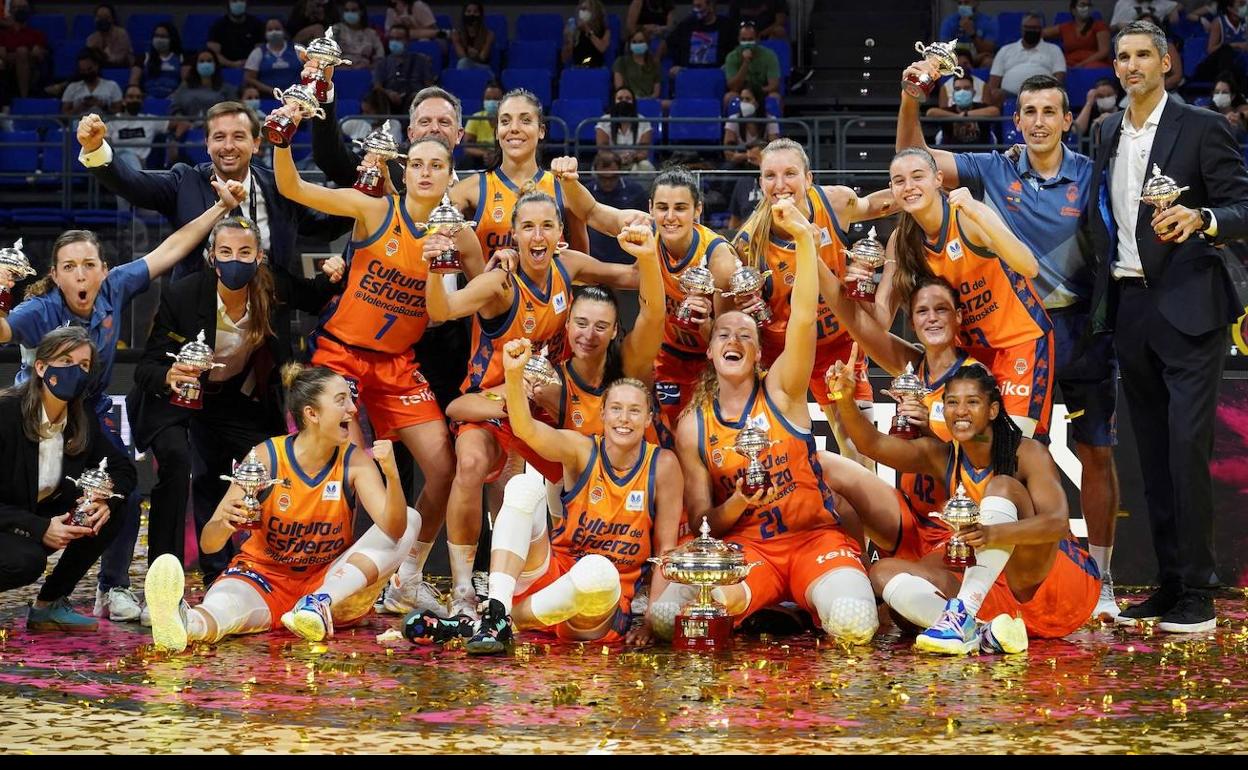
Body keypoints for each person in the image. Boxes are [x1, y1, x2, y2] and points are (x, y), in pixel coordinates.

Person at [0, 180, 246, 622]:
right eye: (69, 267)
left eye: (88, 264)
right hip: (32, 418)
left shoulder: (114, 287)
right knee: (25, 513)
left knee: (120, 494)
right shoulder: (39, 311)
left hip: (85, 416)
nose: (80, 274)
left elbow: (172, 248)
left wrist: (220, 208)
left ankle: (109, 588)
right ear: (54, 275)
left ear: (104, 269)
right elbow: (3, 331)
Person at [650, 197, 879, 646]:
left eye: (745, 335)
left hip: (815, 540)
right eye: (723, 334)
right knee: (665, 617)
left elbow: (804, 319)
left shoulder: (782, 390)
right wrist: (739, 501)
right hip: (750, 548)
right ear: (710, 350)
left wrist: (804, 240)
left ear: (758, 354)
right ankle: (772, 608)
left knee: (853, 621)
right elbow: (703, 523)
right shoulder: (694, 425)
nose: (733, 340)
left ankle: (802, 606)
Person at [276, 131, 479, 618]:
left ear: (450, 176)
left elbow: (490, 290)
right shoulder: (375, 210)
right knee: (342, 466)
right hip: (341, 355)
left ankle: (407, 576)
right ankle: (320, 580)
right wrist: (282, 140)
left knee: (444, 469)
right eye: (418, 164)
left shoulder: (459, 234)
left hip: (398, 363)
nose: (426, 172)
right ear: (404, 172)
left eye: (437, 165)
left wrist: (504, 264)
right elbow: (293, 188)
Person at [1087, 20, 1248, 633]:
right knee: (1151, 455)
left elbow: (1243, 206)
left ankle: (1199, 592)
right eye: (1122, 57)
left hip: (1190, 306)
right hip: (1130, 306)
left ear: (1166, 62)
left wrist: (1202, 217)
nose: (1130, 66)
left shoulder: (1202, 126)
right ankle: (1168, 584)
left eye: (1142, 55)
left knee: (1186, 450)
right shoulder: (1106, 130)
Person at [425, 190, 639, 621]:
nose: (537, 235)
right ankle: (464, 589)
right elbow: (442, 309)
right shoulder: (501, 283)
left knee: (576, 473)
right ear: (514, 236)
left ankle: (575, 568)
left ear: (560, 233)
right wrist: (435, 267)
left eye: (546, 226)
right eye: (527, 227)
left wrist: (643, 238)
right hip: (493, 399)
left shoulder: (568, 265)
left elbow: (630, 276)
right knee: (471, 463)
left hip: (543, 403)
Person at [407, 343, 682, 652]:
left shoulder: (663, 465)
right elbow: (525, 429)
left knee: (598, 571)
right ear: (603, 413)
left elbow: (666, 549)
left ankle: (484, 624)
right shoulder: (581, 449)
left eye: (634, 411)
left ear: (648, 419)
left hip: (601, 603)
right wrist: (513, 374)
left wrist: (650, 619)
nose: (624, 418)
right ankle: (497, 610)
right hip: (549, 577)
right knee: (524, 486)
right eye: (616, 408)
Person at [830, 360, 1100, 654]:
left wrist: (993, 534)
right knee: (883, 573)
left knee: (1003, 487)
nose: (960, 411)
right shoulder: (944, 455)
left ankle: (963, 613)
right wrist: (844, 399)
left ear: (992, 410)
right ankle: (980, 630)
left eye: (972, 402)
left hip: (1051, 588)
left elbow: (1057, 524)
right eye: (952, 402)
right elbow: (872, 445)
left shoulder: (1027, 452)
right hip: (992, 591)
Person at [127, 216, 341, 587]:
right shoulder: (183, 295)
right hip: (176, 397)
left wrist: (335, 270)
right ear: (212, 257)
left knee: (273, 466)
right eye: (225, 252)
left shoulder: (271, 284)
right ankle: (164, 577)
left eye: (244, 252)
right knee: (178, 464)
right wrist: (169, 375)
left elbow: (312, 294)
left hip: (234, 396)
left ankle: (266, 566)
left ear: (259, 257)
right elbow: (146, 367)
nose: (235, 260)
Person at [146, 364, 421, 650]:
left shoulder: (355, 461)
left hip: (332, 584)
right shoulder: (266, 456)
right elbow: (209, 544)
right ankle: (183, 622)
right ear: (312, 414)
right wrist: (225, 524)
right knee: (222, 609)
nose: (352, 409)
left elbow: (395, 530)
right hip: (262, 579)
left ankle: (316, 604)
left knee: (411, 518)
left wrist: (392, 474)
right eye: (341, 401)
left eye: (351, 400)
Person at [718, 138, 893, 467]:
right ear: (760, 183)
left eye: (790, 173)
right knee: (778, 454)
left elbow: (876, 205)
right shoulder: (747, 242)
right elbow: (732, 313)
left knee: (862, 454)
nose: (780, 184)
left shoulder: (834, 202)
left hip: (837, 346)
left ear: (808, 178)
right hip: (783, 354)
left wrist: (923, 193)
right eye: (770, 176)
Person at [881, 148, 1055, 443]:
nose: (909, 186)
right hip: (968, 355)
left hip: (1019, 343)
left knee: (1015, 447)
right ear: (892, 189)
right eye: (899, 181)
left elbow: (1029, 266)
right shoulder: (903, 241)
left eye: (917, 176)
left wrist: (977, 213)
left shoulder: (968, 215)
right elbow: (881, 319)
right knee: (971, 447)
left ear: (938, 179)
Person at [77, 102, 347, 279]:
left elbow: (323, 227)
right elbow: (132, 184)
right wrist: (95, 149)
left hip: (267, 319)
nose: (228, 146)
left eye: (238, 136)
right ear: (207, 144)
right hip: (197, 322)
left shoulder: (279, 186)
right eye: (219, 137)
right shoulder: (184, 181)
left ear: (256, 143)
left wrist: (365, 202)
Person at [564, 166, 735, 425]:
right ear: (651, 208)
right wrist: (568, 180)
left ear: (697, 210)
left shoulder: (718, 260)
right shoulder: (646, 229)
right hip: (663, 352)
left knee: (693, 436)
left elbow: (729, 338)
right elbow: (591, 212)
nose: (670, 217)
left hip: (706, 359)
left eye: (680, 208)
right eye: (663, 207)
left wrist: (705, 324)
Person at [0, 328, 136, 633]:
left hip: (35, 515)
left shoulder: (81, 416)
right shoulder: (6, 412)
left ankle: (49, 605)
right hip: (8, 521)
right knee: (25, 561)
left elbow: (123, 469)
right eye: (65, 360)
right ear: (40, 367)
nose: (75, 370)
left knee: (116, 508)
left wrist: (104, 499)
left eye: (83, 365)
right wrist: (40, 528)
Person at [449, 89, 591, 258]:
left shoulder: (565, 189)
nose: (514, 128)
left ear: (541, 131)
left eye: (525, 120)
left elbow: (582, 265)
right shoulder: (468, 190)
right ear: (497, 132)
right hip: (489, 276)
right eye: (505, 121)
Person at [582, 151, 649, 263]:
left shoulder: (636, 191)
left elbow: (647, 222)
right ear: (596, 172)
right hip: (594, 258)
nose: (608, 183)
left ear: (620, 171)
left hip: (628, 258)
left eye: (612, 178)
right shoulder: (586, 192)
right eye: (603, 178)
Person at [987, 13, 1067, 106]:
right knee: (995, 94)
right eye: (1028, 28)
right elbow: (993, 83)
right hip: (1009, 96)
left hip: (1041, 95)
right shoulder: (1005, 50)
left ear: (1041, 30)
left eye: (1035, 28)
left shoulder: (1054, 50)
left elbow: (1059, 79)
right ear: (1022, 29)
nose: (1031, 31)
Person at [372, 23, 436, 113]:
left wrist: (418, 95)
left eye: (398, 39)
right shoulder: (382, 63)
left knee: (419, 98)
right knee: (377, 97)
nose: (394, 42)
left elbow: (429, 86)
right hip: (389, 101)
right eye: (392, 38)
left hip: (414, 100)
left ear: (407, 40)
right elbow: (377, 87)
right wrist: (388, 93)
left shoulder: (422, 60)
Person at [668, 0, 737, 81]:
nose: (695, 10)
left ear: (710, 6)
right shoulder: (686, 24)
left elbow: (735, 50)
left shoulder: (727, 25)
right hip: (689, 74)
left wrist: (728, 65)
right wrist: (676, 65)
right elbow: (671, 44)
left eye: (699, 6)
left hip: (716, 75)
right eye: (694, 6)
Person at [927, 73, 1002, 147]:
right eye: (957, 89)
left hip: (981, 153)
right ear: (953, 94)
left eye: (966, 88)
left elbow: (995, 111)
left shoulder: (981, 108)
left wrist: (966, 114)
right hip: (952, 153)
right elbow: (930, 112)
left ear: (973, 92)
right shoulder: (949, 110)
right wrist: (957, 117)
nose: (962, 92)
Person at [595, 86, 656, 173]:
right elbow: (602, 151)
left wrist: (632, 158)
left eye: (628, 99)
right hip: (611, 161)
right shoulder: (604, 121)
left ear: (633, 102)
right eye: (620, 99)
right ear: (614, 101)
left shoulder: (643, 122)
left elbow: (644, 152)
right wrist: (617, 158)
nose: (624, 101)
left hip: (635, 161)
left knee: (646, 167)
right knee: (601, 165)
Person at [722, 20, 781, 109]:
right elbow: (733, 87)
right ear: (738, 39)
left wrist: (755, 92)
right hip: (741, 94)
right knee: (728, 97)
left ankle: (772, 118)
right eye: (743, 40)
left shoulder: (769, 55)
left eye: (750, 39)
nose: (747, 43)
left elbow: (774, 86)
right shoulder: (732, 57)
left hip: (763, 93)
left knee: (775, 97)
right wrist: (746, 62)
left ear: (757, 39)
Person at [169, 51, 238, 124]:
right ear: (196, 65)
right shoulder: (184, 87)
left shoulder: (227, 89)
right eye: (201, 61)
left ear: (215, 64)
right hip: (187, 127)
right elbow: (175, 109)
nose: (205, 64)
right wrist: (183, 121)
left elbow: (235, 112)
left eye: (209, 61)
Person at [0, 0, 49, 100]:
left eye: (23, 8)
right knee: (21, 52)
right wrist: (23, 55)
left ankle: (24, 99)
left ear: (28, 10)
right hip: (7, 72)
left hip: (31, 73)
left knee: (22, 51)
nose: (20, 10)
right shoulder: (3, 35)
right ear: (10, 11)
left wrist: (19, 55)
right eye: (16, 7)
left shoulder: (36, 34)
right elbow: (2, 55)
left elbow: (39, 55)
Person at [1044, 0, 1112, 68]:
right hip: (1069, 64)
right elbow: (1041, 32)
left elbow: (1104, 51)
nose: (1086, 8)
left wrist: (1081, 64)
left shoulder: (1099, 26)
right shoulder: (1066, 27)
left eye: (1089, 5)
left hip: (1093, 64)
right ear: (1073, 10)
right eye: (1083, 5)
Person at [108, 85, 159, 172]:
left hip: (140, 164)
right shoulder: (112, 122)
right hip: (118, 165)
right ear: (124, 101)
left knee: (129, 156)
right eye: (131, 97)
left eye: (138, 97)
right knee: (126, 153)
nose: (135, 100)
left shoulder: (150, 120)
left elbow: (179, 123)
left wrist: (174, 138)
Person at [243, 19, 303, 94]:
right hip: (267, 96)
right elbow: (249, 78)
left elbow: (310, 71)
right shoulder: (258, 52)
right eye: (270, 30)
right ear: (265, 33)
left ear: (284, 31)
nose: (274, 32)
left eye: (277, 29)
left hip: (296, 96)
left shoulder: (298, 49)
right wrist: (272, 91)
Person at [722, 86, 780, 164]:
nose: (743, 103)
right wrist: (749, 156)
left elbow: (774, 151)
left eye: (748, 99)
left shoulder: (770, 120)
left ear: (758, 103)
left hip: (762, 162)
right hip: (739, 163)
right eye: (742, 99)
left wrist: (747, 156)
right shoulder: (733, 119)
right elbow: (728, 153)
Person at [129, 22, 185, 100]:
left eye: (163, 36)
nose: (159, 39)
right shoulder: (143, 58)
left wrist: (175, 96)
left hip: (173, 99)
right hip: (147, 99)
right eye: (156, 36)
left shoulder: (180, 58)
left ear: (172, 38)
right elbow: (133, 81)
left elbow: (185, 83)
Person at [1197, 1, 1248, 83]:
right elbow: (1210, 50)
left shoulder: (1245, 22)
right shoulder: (1218, 22)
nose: (1245, 7)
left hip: (1236, 64)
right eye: (1241, 5)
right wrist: (1233, 45)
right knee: (1226, 50)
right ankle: (1225, 82)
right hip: (1216, 65)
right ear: (1230, 8)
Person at [61, 49, 122, 117]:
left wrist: (103, 106)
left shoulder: (112, 86)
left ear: (97, 66)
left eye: (89, 69)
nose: (86, 73)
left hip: (105, 122)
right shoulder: (72, 87)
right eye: (83, 70)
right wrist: (80, 107)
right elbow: (64, 115)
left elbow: (119, 113)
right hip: (79, 122)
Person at [208, 0, 266, 70]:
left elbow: (261, 51)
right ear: (228, 4)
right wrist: (232, 64)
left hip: (252, 68)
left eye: (241, 0)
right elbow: (213, 54)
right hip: (225, 69)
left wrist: (249, 63)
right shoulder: (218, 26)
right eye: (234, 1)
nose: (238, 3)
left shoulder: (257, 24)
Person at [938, 0, 998, 68]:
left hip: (979, 57)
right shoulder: (949, 22)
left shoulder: (988, 21)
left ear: (976, 2)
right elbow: (945, 49)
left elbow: (989, 49)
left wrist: (972, 34)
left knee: (989, 62)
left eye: (966, 3)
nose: (963, 6)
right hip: (957, 57)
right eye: (960, 3)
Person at [334, 1, 385, 70]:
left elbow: (380, 53)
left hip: (364, 69)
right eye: (347, 10)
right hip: (340, 69)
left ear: (361, 12)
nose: (349, 13)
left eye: (353, 10)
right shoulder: (336, 29)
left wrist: (372, 66)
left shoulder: (371, 33)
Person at [562, 0, 611, 69]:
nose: (582, 12)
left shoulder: (604, 30)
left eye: (585, 9)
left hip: (596, 68)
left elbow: (602, 48)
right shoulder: (575, 29)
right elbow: (565, 58)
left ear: (594, 12)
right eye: (581, 9)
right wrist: (568, 41)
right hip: (578, 68)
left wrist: (588, 31)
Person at [614, 28, 662, 99]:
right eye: (634, 42)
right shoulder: (621, 62)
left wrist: (647, 100)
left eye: (641, 41)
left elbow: (656, 93)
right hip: (628, 100)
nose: (637, 44)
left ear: (647, 44)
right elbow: (619, 89)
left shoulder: (654, 64)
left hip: (648, 101)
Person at [463, 81, 502, 167]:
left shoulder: (509, 120)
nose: (491, 102)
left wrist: (497, 155)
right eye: (488, 99)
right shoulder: (476, 118)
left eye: (496, 99)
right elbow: (468, 147)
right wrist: (485, 154)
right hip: (481, 159)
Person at [85, 3, 132, 68]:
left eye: (106, 17)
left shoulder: (122, 34)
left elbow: (121, 58)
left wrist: (105, 56)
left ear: (112, 19)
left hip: (119, 68)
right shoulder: (91, 39)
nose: (102, 20)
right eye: (99, 17)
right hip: (99, 69)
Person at [451, 2, 493, 71]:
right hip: (464, 65)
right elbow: (462, 57)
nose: (472, 14)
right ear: (464, 14)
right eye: (468, 11)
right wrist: (457, 42)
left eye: (475, 12)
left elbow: (483, 57)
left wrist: (476, 56)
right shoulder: (457, 34)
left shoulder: (489, 34)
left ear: (480, 15)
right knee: (463, 62)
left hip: (483, 69)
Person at [1209, 72, 1248, 139]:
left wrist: (1240, 115)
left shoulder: (1240, 111)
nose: (1220, 95)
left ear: (1232, 96)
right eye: (1217, 92)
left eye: (1224, 92)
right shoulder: (1207, 112)